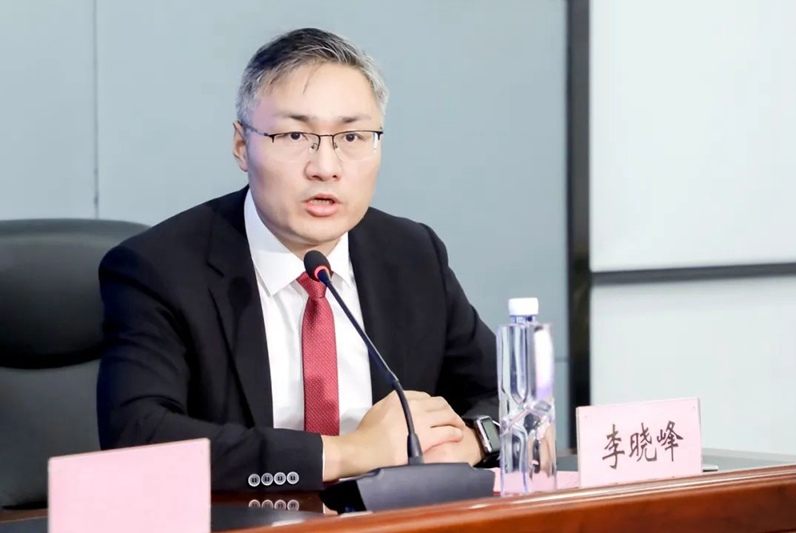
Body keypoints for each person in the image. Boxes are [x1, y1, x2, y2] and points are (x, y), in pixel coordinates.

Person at [96, 27, 498, 492]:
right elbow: (138, 437)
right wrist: (347, 453)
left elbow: (508, 400)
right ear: (242, 146)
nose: (325, 167)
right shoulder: (159, 269)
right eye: (294, 135)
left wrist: (471, 442)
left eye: (352, 136)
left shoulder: (411, 254)